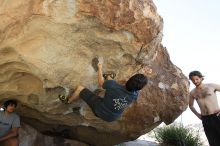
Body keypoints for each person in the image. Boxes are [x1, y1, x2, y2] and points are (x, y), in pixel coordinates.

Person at [60, 62, 148, 122]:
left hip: (100, 110)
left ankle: (68, 101)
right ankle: (108, 77)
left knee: (79, 88)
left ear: (129, 80)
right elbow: (133, 86)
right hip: (112, 118)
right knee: (110, 84)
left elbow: (101, 83)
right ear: (139, 89)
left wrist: (100, 68)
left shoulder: (114, 86)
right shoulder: (135, 95)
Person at [189, 71, 220, 146]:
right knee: (212, 141)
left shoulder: (211, 86)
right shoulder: (192, 93)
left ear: (201, 78)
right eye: (193, 80)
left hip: (217, 116)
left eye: (196, 79)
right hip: (205, 119)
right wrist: (198, 115)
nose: (195, 81)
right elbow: (191, 105)